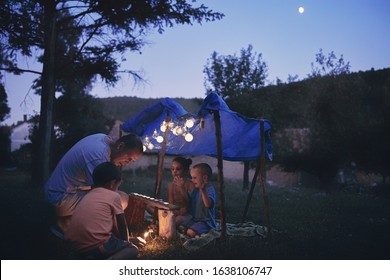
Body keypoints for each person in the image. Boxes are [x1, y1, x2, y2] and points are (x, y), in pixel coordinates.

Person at [44, 133, 143, 232]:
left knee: (113, 197)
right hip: (60, 198)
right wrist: (122, 234)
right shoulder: (99, 158)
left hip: (59, 191)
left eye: (131, 161)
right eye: (129, 158)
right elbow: (105, 196)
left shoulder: (102, 139)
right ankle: (75, 228)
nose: (128, 163)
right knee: (121, 199)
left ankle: (68, 222)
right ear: (120, 146)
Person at [64, 162, 140, 259]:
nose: (117, 189)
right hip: (97, 245)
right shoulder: (114, 196)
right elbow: (121, 223)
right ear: (113, 184)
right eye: (118, 186)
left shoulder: (88, 195)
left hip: (76, 249)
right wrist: (126, 242)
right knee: (133, 250)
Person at [183, 163, 217, 238]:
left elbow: (208, 205)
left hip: (205, 221)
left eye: (194, 178)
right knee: (179, 224)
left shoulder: (209, 189)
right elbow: (188, 201)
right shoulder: (195, 189)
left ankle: (199, 234)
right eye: (191, 177)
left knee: (190, 232)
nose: (192, 180)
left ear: (204, 178)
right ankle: (194, 232)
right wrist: (182, 188)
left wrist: (202, 191)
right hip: (194, 219)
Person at [166, 157, 194, 227]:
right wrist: (172, 212)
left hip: (187, 214)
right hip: (175, 211)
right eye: (172, 169)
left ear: (185, 170)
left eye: (178, 169)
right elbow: (170, 203)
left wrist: (181, 188)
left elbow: (191, 204)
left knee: (177, 220)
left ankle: (170, 223)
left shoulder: (190, 184)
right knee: (149, 207)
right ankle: (169, 221)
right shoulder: (170, 185)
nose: (174, 171)